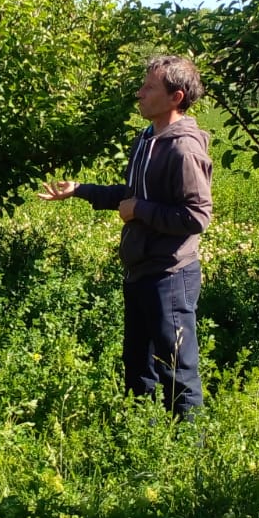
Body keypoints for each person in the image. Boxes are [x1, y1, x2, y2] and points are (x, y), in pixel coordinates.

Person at [39, 54, 213, 419]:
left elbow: (196, 216)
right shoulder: (148, 139)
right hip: (140, 269)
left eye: (149, 88)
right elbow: (132, 195)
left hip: (170, 273)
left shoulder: (183, 149)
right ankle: (138, 433)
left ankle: (188, 445)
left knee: (176, 368)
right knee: (137, 363)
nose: (140, 93)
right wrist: (80, 190)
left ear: (176, 97)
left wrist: (140, 210)